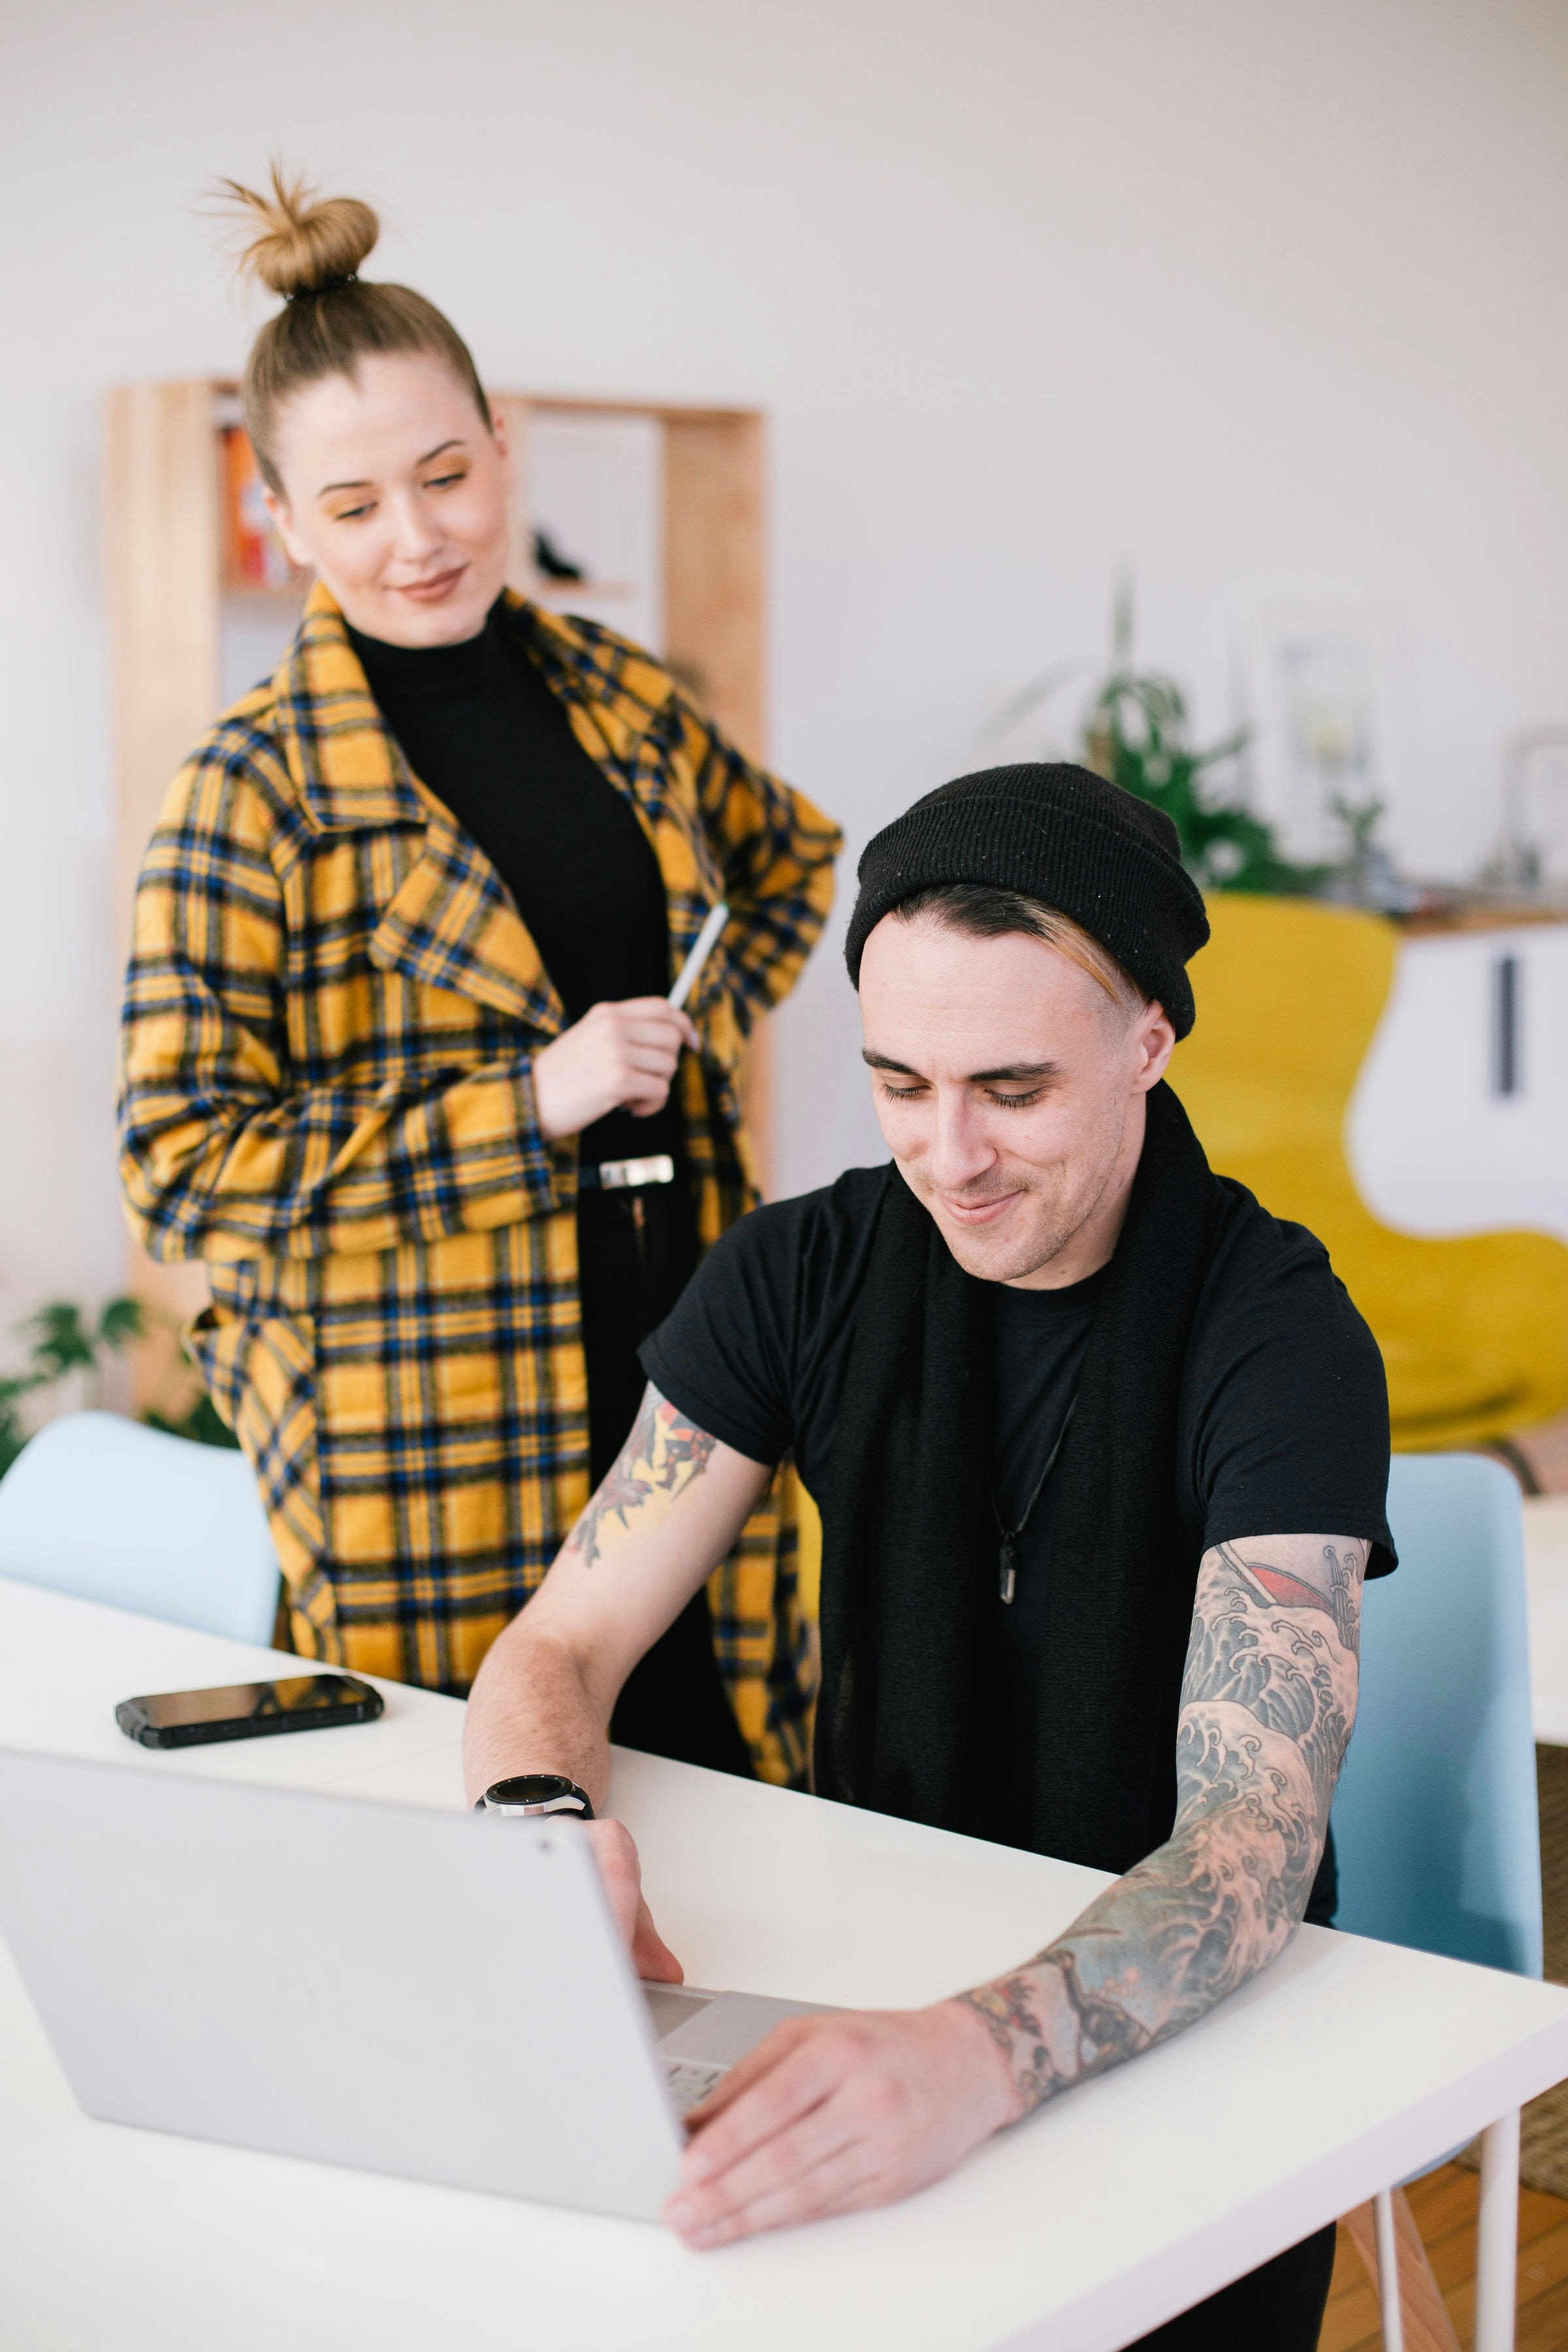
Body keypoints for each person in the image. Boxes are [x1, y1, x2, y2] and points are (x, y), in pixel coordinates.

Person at [463, 762, 1394, 2348]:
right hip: (870, 1949)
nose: (946, 1155)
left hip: (1192, 2037)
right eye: (901, 1083)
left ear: (1150, 1042)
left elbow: (1252, 1842)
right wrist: (542, 1832)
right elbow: (561, 1644)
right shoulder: (802, 1272)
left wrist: (978, 2055)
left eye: (1011, 1090)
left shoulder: (1279, 1334)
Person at [117, 168, 840, 1784]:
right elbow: (178, 1179)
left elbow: (787, 861)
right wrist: (530, 1104)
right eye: (356, 505)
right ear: (280, 519)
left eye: (447, 475)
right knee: (479, 1846)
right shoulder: (248, 791)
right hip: (421, 1426)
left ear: (504, 445)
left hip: (687, 1354)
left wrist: (680, 1046)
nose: (419, 537)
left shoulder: (617, 692)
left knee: (740, 1797)